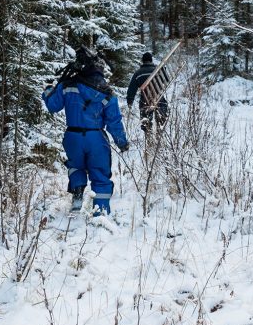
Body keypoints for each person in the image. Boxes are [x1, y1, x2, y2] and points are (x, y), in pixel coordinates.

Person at [43, 47, 129, 215]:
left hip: (72, 136)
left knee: (76, 167)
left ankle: (76, 201)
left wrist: (47, 90)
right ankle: (101, 213)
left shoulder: (68, 85)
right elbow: (114, 122)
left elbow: (53, 105)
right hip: (96, 137)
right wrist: (122, 142)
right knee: (100, 173)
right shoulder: (107, 93)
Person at [126, 51, 169, 133]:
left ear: (143, 61)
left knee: (146, 123)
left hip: (145, 100)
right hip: (159, 98)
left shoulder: (138, 73)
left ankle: (149, 139)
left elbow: (132, 88)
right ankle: (159, 136)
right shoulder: (158, 70)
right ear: (151, 60)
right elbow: (166, 79)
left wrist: (130, 100)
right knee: (161, 120)